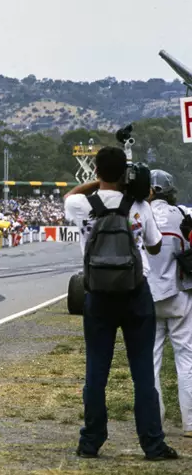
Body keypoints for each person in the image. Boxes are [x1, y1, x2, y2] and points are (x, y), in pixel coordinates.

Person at [63, 147, 177, 461]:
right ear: (125, 173)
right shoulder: (140, 206)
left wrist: (97, 182)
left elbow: (71, 193)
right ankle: (152, 444)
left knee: (96, 371)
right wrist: (134, 192)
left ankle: (91, 441)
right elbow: (153, 248)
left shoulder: (80, 204)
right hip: (135, 293)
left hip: (98, 295)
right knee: (142, 372)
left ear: (96, 170)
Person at [146, 170, 192, 439]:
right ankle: (190, 423)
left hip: (146, 297)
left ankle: (154, 421)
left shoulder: (139, 214)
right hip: (178, 294)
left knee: (150, 362)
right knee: (186, 359)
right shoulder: (182, 215)